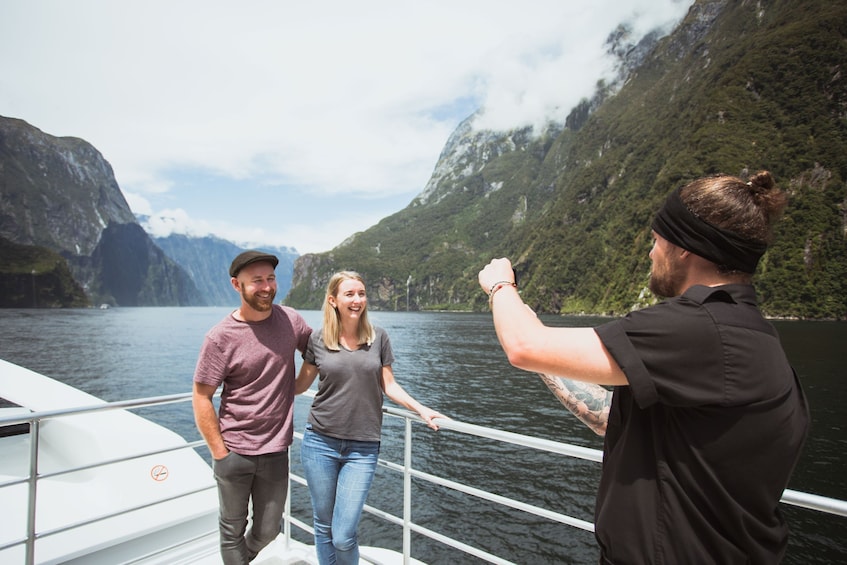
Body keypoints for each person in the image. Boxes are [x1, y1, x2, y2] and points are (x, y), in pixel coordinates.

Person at [478, 171, 810, 564]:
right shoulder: (749, 334)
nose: (651, 253)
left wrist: (502, 287)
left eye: (656, 240)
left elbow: (524, 347)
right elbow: (610, 416)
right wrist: (543, 346)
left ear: (686, 246)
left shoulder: (696, 328)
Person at [294, 270, 447, 565]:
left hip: (362, 447)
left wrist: (421, 409)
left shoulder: (378, 338)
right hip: (319, 443)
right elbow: (300, 385)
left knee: (343, 534)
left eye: (361, 294)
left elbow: (389, 385)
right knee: (323, 526)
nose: (357, 300)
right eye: (349, 294)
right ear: (333, 300)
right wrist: (263, 383)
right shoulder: (317, 339)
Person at [193, 250, 312, 565]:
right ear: (237, 285)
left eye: (270, 278)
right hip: (234, 452)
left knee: (268, 531)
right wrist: (220, 452)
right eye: (256, 280)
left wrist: (299, 384)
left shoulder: (291, 320)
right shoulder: (219, 338)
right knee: (232, 530)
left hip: (275, 451)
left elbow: (317, 351)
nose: (266, 286)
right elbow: (202, 396)